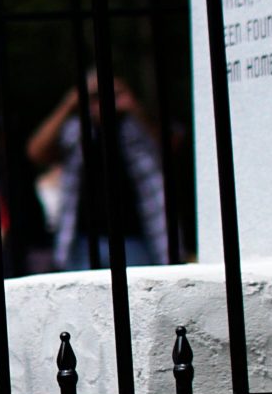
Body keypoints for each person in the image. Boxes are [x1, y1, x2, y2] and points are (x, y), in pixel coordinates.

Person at [26, 70, 170, 271]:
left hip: (137, 238)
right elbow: (36, 152)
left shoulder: (137, 127)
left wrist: (132, 105)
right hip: (82, 241)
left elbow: (170, 149)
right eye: (95, 96)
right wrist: (69, 104)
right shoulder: (74, 130)